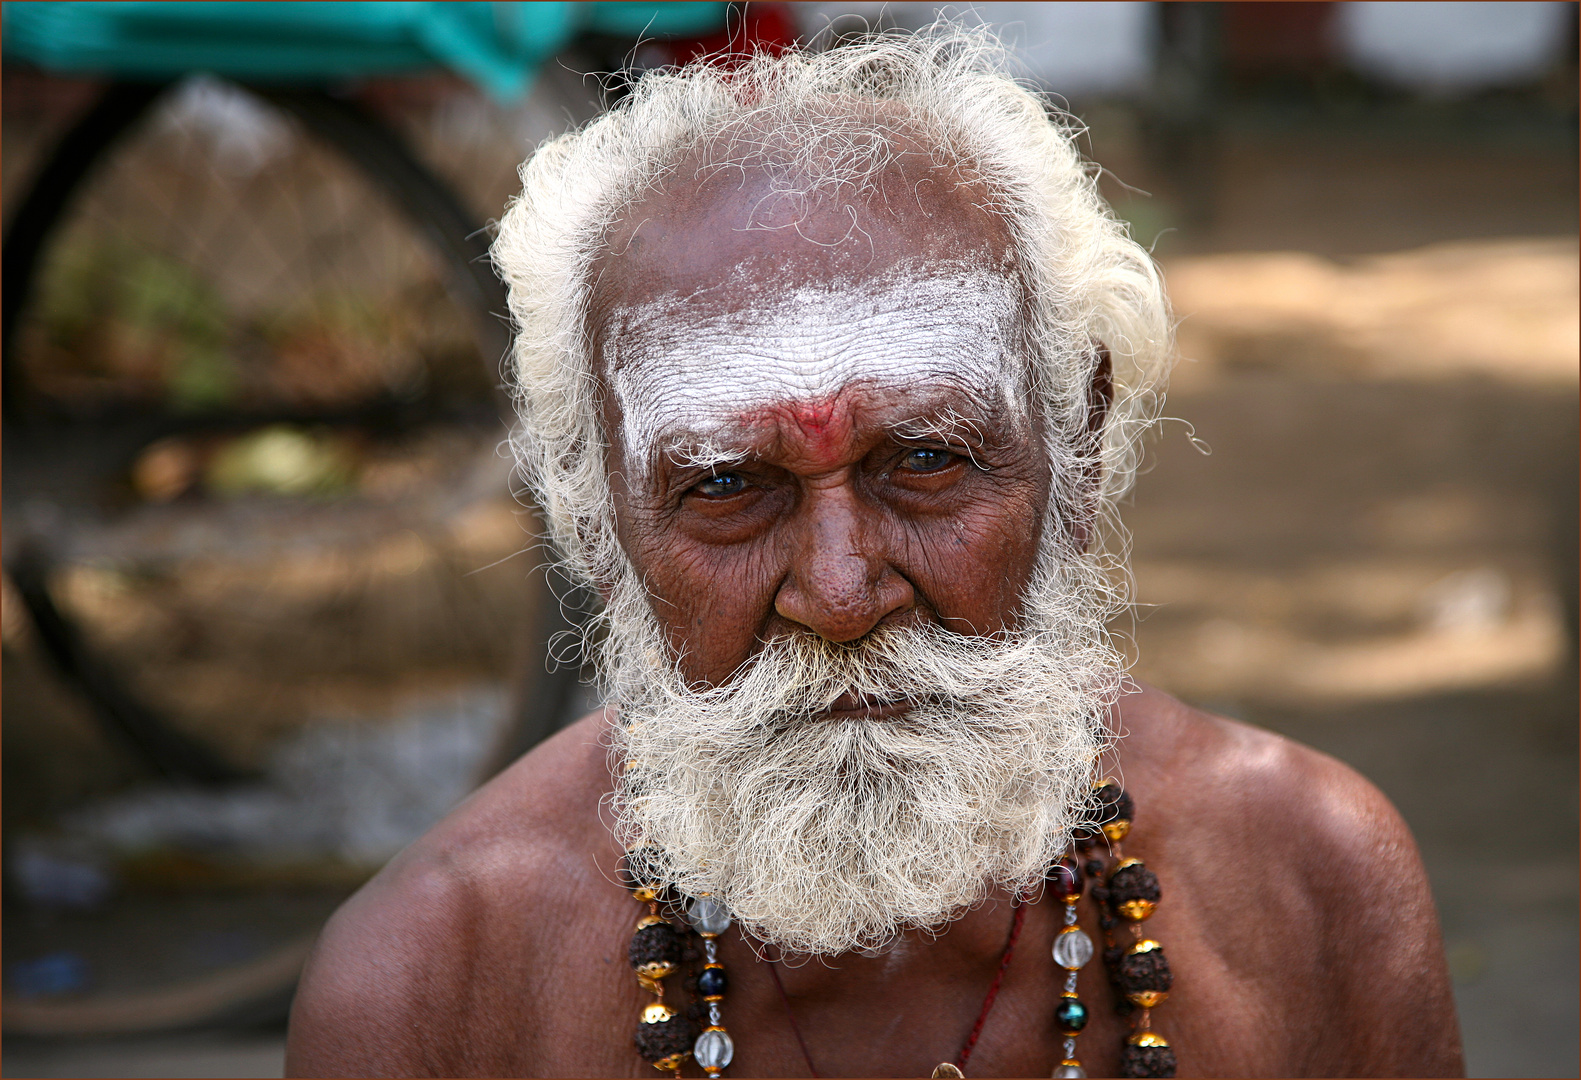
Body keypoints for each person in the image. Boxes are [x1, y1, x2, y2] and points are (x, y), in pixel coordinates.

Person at [285, 29, 1462, 1079]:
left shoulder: (1309, 886)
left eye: (927, 464)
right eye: (729, 487)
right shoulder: (433, 996)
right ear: (596, 523)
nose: (841, 594)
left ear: (1079, 452)